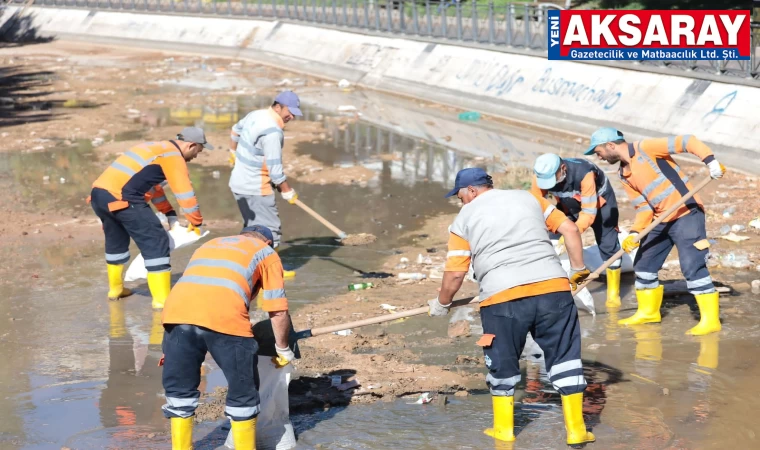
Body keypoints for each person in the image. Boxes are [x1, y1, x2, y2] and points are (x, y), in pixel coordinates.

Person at [428, 168, 594, 446]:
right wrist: (578, 270)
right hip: (553, 290)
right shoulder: (529, 198)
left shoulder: (463, 219)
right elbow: (569, 228)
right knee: (565, 358)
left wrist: (442, 303)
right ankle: (576, 430)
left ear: (471, 190)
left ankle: (504, 431)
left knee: (502, 360)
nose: (461, 202)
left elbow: (456, 273)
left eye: (460, 196)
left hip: (502, 298)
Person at [160, 225, 294, 450]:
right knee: (243, 393)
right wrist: (283, 348)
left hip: (175, 315)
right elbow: (278, 310)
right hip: (225, 319)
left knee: (179, 393)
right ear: (269, 242)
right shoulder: (266, 253)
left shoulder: (210, 244)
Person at [585, 128, 725, 335]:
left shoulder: (646, 148)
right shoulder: (624, 174)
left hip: (687, 212)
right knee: (643, 264)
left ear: (611, 146)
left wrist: (710, 161)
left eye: (598, 151)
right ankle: (649, 313)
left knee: (691, 265)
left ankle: (710, 320)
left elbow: (687, 141)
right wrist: (634, 233)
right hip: (660, 219)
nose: (598, 157)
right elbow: (643, 208)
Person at [90, 127, 211, 309]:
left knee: (116, 241)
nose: (196, 156)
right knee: (156, 241)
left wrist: (169, 213)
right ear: (191, 145)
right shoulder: (173, 157)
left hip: (99, 196)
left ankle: (115, 290)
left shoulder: (154, 147)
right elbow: (184, 191)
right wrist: (195, 220)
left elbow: (152, 187)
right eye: (198, 151)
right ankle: (162, 301)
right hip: (123, 199)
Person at [532, 153, 623, 308]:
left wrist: (571, 233)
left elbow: (588, 213)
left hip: (601, 205)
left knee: (608, 245)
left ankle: (613, 294)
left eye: (552, 180)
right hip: (568, 205)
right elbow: (536, 206)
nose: (549, 185)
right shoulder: (540, 176)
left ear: (563, 169)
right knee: (550, 240)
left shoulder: (584, 173)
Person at [228, 91, 302, 252]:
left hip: (238, 184)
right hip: (257, 188)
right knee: (270, 231)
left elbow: (235, 131)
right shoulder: (273, 132)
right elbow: (275, 170)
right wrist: (287, 191)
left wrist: (233, 152)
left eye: (294, 114)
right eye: (289, 112)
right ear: (277, 107)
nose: (292, 117)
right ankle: (270, 271)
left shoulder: (256, 115)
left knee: (252, 229)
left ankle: (250, 266)